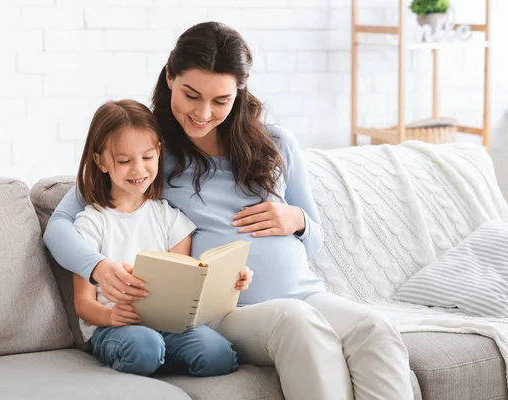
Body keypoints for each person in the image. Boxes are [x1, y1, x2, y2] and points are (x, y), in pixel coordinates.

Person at [45, 22, 414, 400]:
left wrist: (298, 221)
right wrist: (98, 267)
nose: (203, 113)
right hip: (226, 313)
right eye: (192, 95)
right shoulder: (148, 152)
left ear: (239, 92)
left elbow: (314, 240)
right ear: (170, 76)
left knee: (376, 329)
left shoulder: (277, 144)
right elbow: (59, 225)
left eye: (221, 100)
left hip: (305, 294)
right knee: (295, 323)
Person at [70, 99, 249, 377]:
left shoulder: (170, 218)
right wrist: (111, 316)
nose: (138, 170)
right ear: (101, 162)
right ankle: (153, 359)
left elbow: (184, 285)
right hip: (115, 328)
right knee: (145, 346)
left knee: (219, 355)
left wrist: (229, 281)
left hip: (168, 325)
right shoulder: (90, 223)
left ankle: (160, 360)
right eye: (124, 161)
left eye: (148, 157)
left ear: (158, 154)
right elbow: (83, 303)